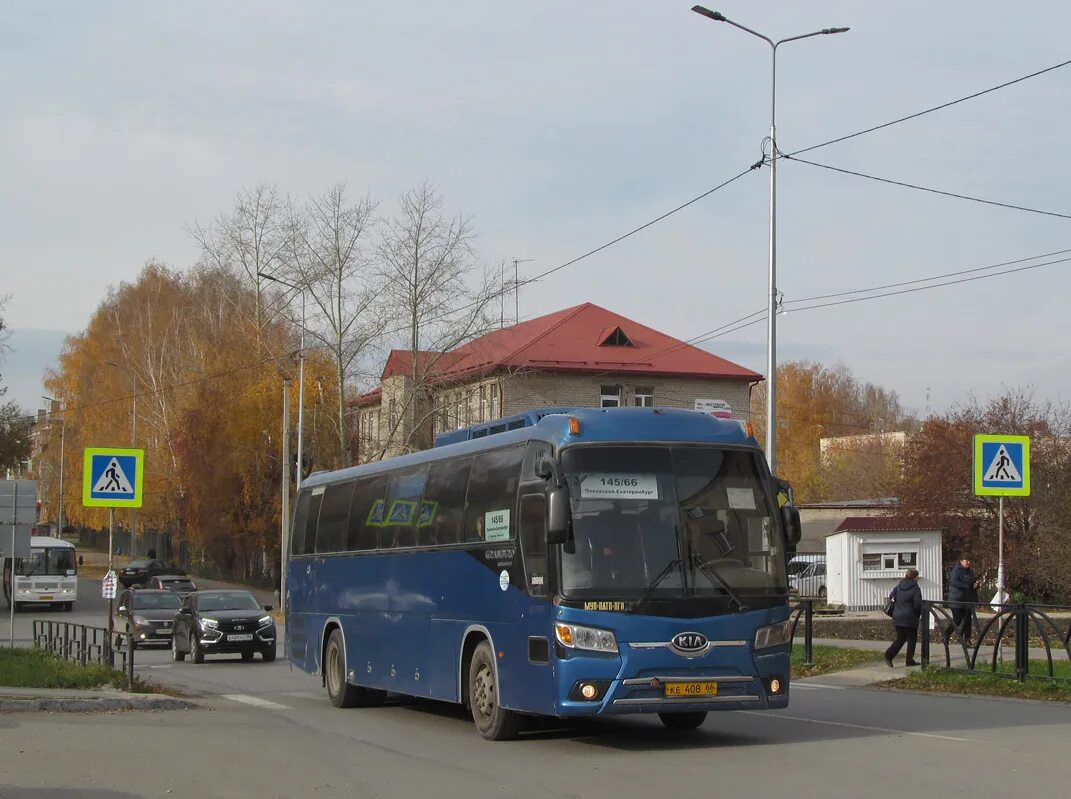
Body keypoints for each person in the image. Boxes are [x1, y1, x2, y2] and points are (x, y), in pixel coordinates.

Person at [884, 569, 923, 668]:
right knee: (912, 640)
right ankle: (909, 660)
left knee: (900, 638)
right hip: (910, 618)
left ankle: (888, 655)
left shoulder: (899, 586)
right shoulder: (915, 588)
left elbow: (891, 596)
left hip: (898, 617)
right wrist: (920, 614)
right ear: (915, 577)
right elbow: (917, 604)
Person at [945, 555, 979, 643]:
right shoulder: (956, 570)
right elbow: (954, 582)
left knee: (967, 620)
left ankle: (966, 639)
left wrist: (976, 585)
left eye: (969, 560)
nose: (968, 562)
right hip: (956, 599)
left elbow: (973, 581)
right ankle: (947, 633)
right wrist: (967, 586)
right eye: (966, 560)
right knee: (957, 620)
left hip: (967, 599)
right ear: (961, 561)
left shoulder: (970, 571)